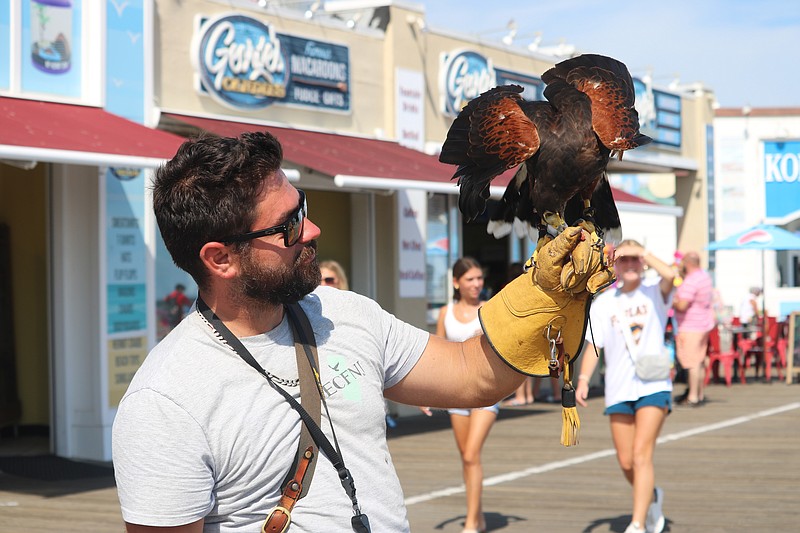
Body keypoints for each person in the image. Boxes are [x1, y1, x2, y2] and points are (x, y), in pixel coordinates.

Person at [112, 131, 609, 533]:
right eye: (287, 227)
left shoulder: (344, 314)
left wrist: (542, 293)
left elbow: (471, 375)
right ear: (219, 259)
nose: (312, 231)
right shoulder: (164, 402)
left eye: (301, 207)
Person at [576, 240, 675, 533]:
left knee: (641, 455)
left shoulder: (655, 292)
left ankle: (637, 523)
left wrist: (642, 251)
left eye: (635, 260)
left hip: (653, 384)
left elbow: (671, 275)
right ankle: (652, 495)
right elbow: (594, 345)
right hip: (618, 387)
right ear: (614, 265)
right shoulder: (604, 302)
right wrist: (583, 380)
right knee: (626, 460)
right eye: (624, 260)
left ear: (643, 262)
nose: (630, 265)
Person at [434, 257, 497, 533]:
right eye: (470, 279)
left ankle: (471, 523)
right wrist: (429, 393)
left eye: (479, 278)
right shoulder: (445, 313)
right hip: (455, 393)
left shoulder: (490, 310)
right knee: (466, 457)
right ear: (456, 282)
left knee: (472, 453)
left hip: (486, 392)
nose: (477, 284)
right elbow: (437, 354)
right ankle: (478, 515)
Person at [672, 251, 716, 406]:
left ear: (687, 263)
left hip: (690, 326)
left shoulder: (691, 281)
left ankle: (692, 396)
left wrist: (672, 302)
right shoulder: (705, 277)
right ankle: (699, 393)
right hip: (704, 324)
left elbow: (683, 305)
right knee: (699, 360)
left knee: (691, 362)